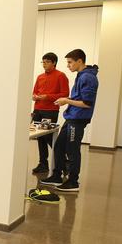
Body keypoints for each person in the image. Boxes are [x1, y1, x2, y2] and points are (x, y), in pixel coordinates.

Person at [41, 49, 99, 192]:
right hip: (71, 117)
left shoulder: (88, 78)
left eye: (70, 62)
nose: (68, 65)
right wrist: (66, 100)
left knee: (72, 150)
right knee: (59, 147)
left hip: (78, 119)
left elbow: (87, 103)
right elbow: (79, 98)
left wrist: (66, 100)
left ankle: (73, 181)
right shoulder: (81, 75)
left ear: (79, 61)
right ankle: (57, 175)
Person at [30, 52, 69, 174]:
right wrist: (34, 96)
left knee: (49, 137)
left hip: (51, 111)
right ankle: (43, 163)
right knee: (40, 137)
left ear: (54, 63)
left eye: (47, 62)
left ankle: (64, 161)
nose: (44, 64)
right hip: (38, 109)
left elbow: (65, 94)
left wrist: (47, 96)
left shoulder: (61, 76)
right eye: (43, 62)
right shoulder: (40, 77)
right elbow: (35, 92)